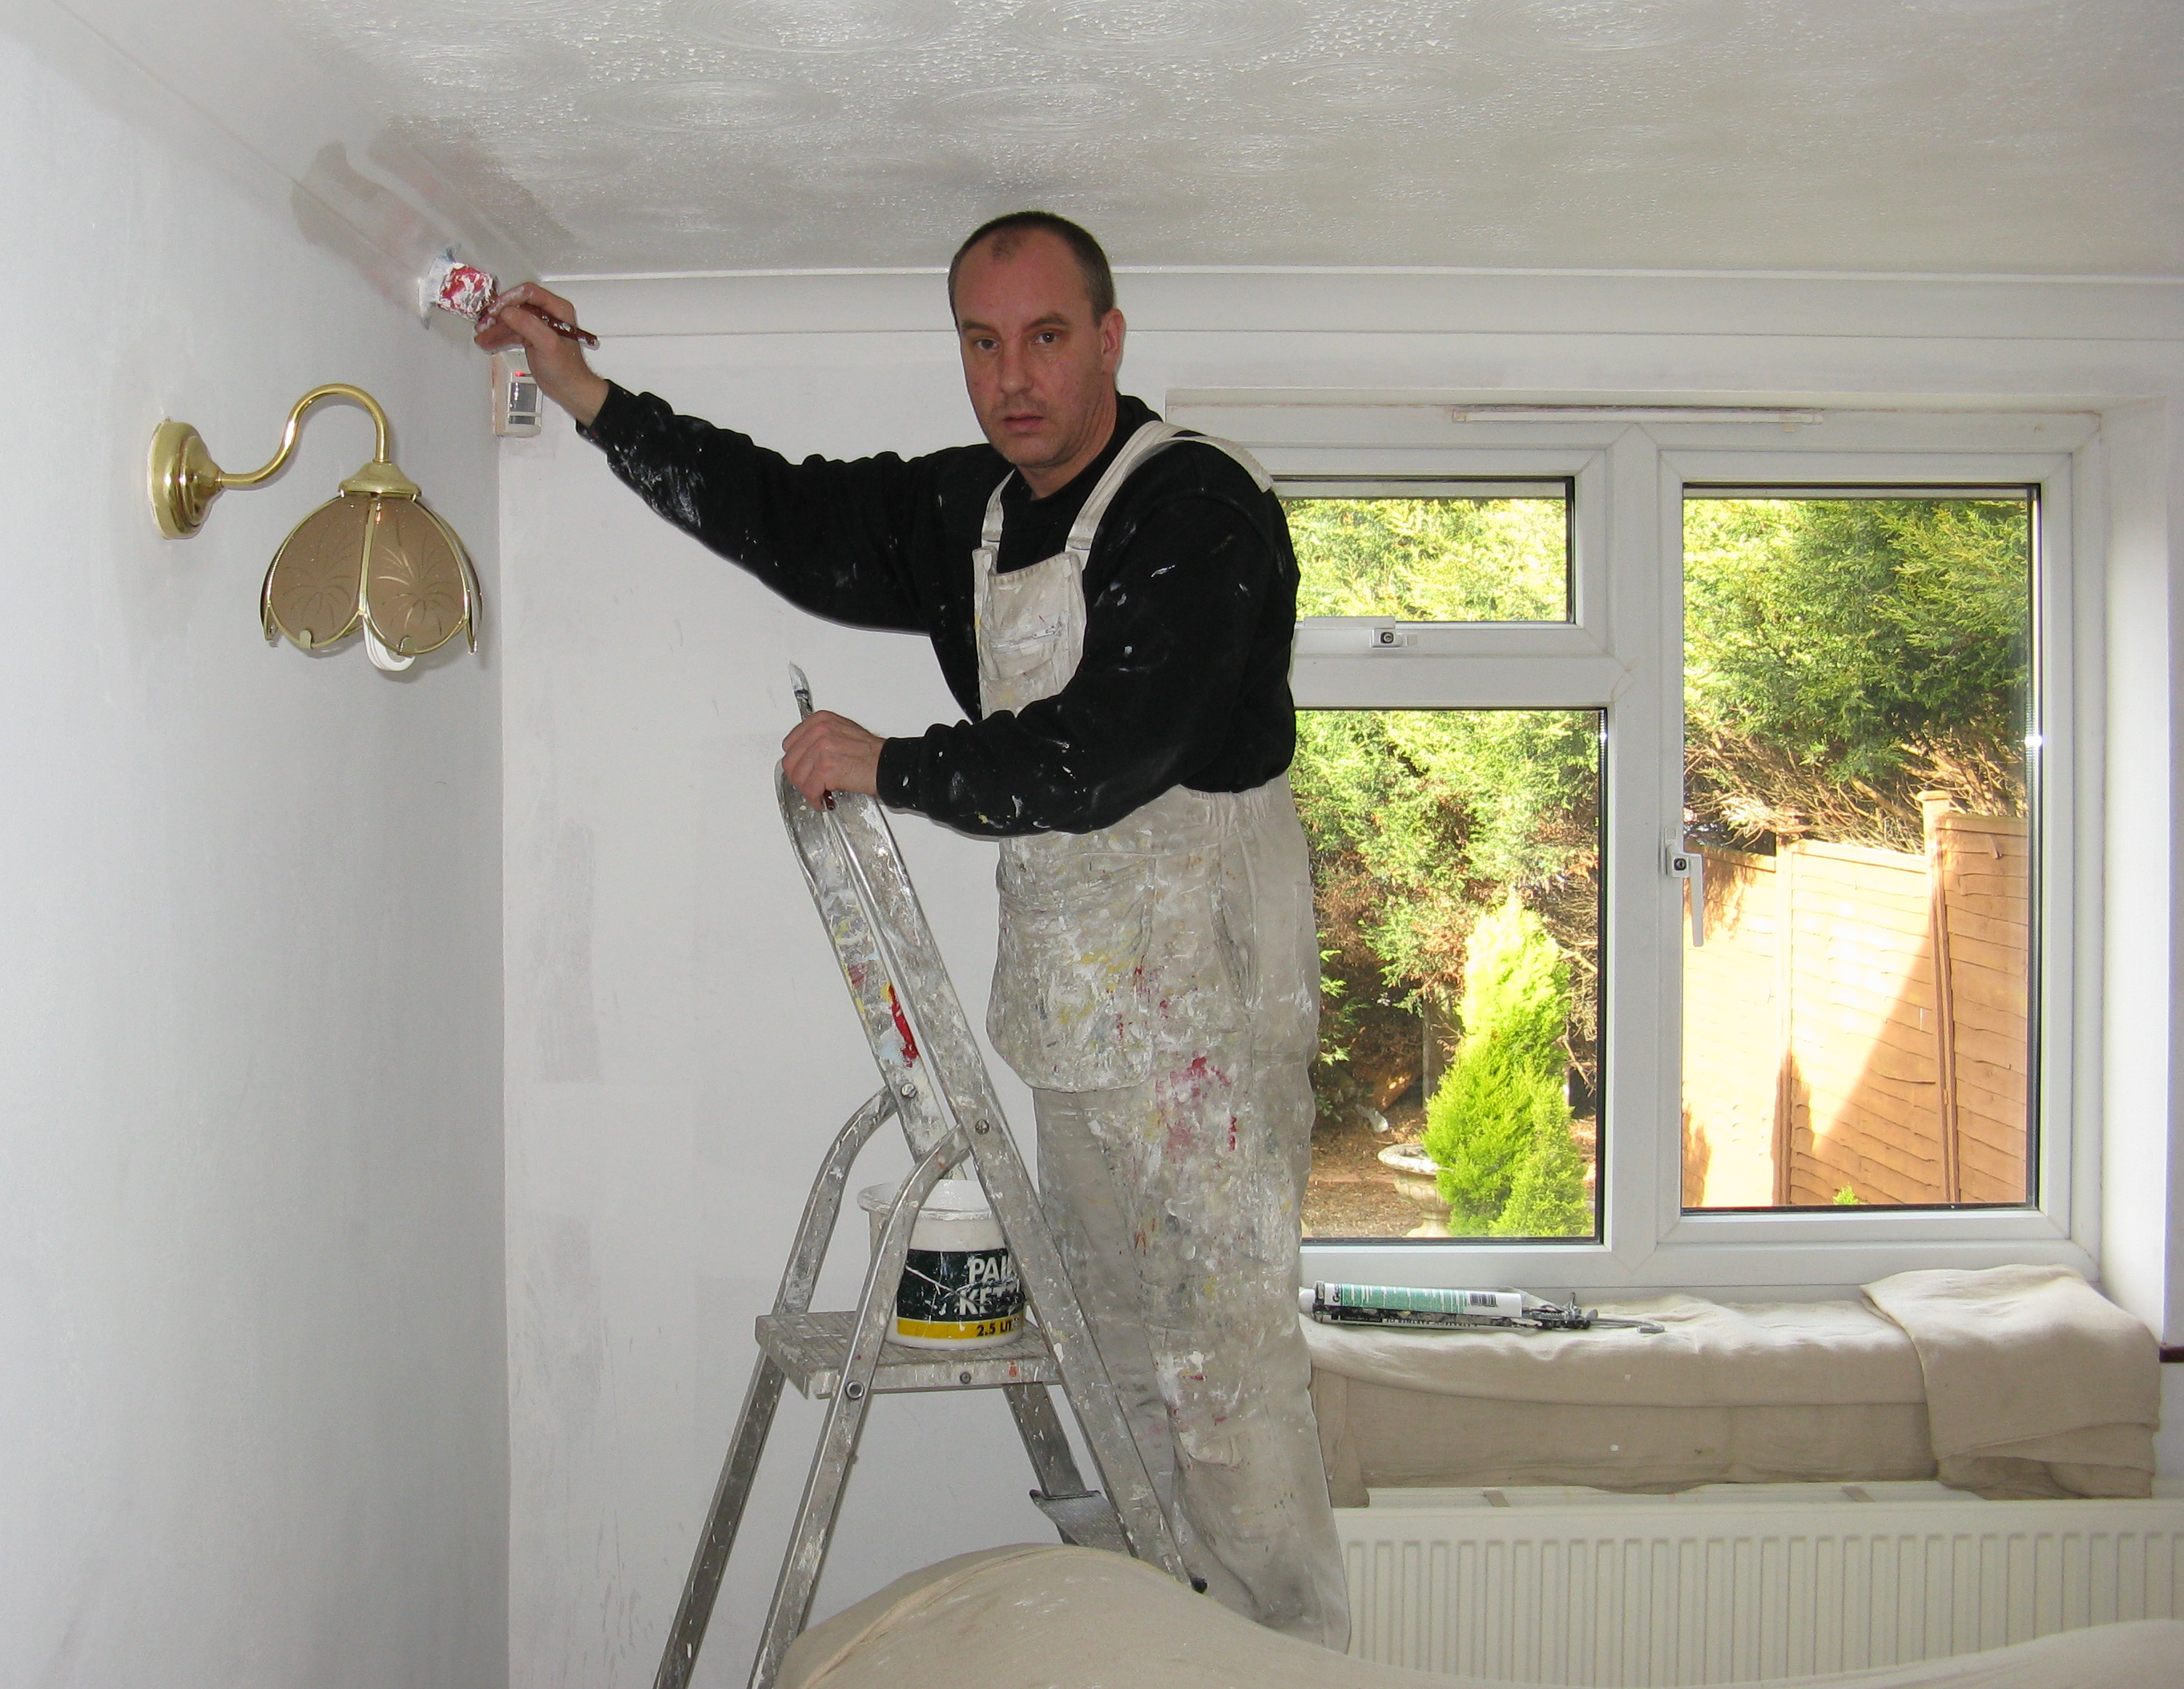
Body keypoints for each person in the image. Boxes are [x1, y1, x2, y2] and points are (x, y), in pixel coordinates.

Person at [477, 212, 1348, 1649]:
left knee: (1228, 1402)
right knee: (1127, 1383)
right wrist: (583, 395)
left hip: (1200, 1026)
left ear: (1111, 342)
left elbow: (1108, 750)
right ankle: (1168, 1661)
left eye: (1047, 337)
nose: (1013, 376)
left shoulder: (1193, 505)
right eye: (981, 341)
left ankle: (1290, 1673)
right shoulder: (977, 511)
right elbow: (790, 517)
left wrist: (899, 759)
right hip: (1080, 1019)